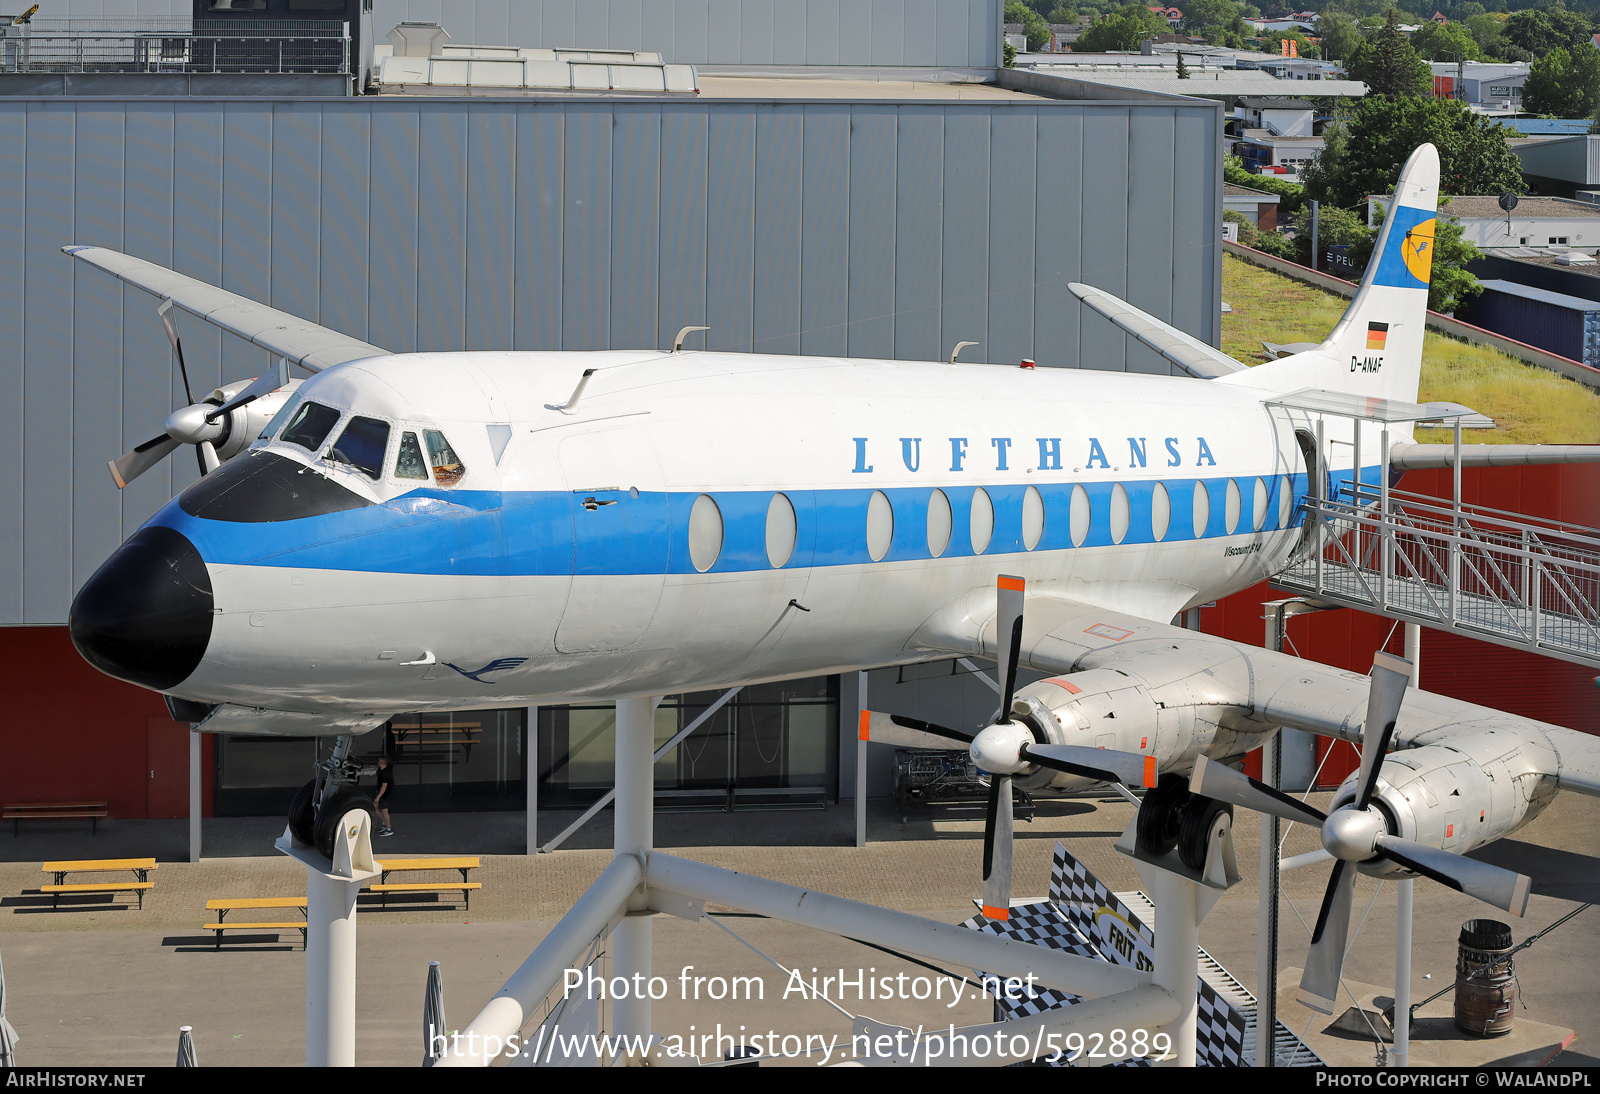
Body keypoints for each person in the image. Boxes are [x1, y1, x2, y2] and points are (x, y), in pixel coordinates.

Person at [374, 755, 395, 837]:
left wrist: (378, 797)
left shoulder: (384, 773)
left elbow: (384, 787)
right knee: (376, 806)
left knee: (384, 811)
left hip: (385, 794)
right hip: (384, 793)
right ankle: (384, 823)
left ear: (380, 762)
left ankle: (388, 828)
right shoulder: (383, 770)